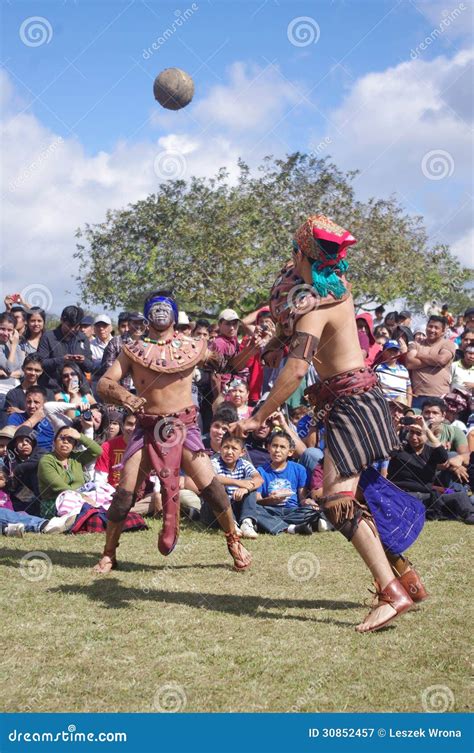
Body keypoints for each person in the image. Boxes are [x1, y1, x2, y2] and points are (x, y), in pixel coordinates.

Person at [232, 214, 416, 633]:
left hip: (352, 403)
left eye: (293, 251)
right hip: (358, 400)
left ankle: (391, 592)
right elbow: (298, 342)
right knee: (358, 497)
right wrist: (272, 342)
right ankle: (408, 579)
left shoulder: (315, 302)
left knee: (336, 501)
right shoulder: (335, 289)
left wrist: (257, 417)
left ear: (301, 252)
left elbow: (297, 370)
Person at [93, 290, 266, 575]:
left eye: (166, 308)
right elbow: (104, 384)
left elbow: (229, 365)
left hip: (184, 428)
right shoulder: (132, 350)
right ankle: (109, 552)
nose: (161, 313)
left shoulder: (192, 346)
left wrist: (252, 347)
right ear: (147, 313)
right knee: (124, 495)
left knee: (213, 489)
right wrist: (126, 397)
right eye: (155, 308)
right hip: (147, 428)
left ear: (174, 313)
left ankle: (234, 541)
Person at [254, 431, 325, 535]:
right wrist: (269, 500)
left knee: (311, 510)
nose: (277, 450)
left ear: (290, 452)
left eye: (282, 447)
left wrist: (307, 501)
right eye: (274, 446)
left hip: (293, 510)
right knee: (254, 510)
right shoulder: (260, 471)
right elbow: (257, 501)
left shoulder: (299, 469)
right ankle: (290, 528)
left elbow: (302, 498)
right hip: (271, 510)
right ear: (268, 448)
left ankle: (270, 524)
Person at [201, 433, 262, 539]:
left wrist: (246, 488)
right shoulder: (214, 462)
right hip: (215, 511)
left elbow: (259, 479)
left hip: (234, 506)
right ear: (220, 449)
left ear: (242, 452)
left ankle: (247, 522)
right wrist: (238, 483)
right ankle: (231, 524)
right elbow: (211, 478)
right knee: (217, 486)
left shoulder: (244, 464)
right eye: (226, 447)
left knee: (250, 483)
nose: (229, 452)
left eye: (234, 448)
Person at [38, 426, 102, 518]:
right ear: (54, 441)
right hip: (56, 502)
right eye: (62, 438)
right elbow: (60, 487)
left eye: (70, 440)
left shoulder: (76, 458)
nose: (65, 442)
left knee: (102, 491)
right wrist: (82, 497)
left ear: (74, 445)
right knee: (70, 498)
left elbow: (97, 451)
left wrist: (80, 436)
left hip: (81, 498)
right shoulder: (46, 461)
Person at [405, 315, 456, 409]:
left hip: (440, 395)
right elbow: (409, 363)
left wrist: (419, 355)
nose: (432, 330)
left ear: (443, 331)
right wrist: (434, 360)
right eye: (430, 326)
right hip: (418, 396)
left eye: (436, 328)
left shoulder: (448, 344)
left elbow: (441, 360)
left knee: (436, 423)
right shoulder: (417, 344)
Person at [38, 305, 93, 387]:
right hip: (54, 386)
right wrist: (61, 360)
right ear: (61, 320)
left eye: (76, 326)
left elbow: (90, 367)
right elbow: (41, 363)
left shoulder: (83, 338)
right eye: (69, 326)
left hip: (79, 387)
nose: (73, 329)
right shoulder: (48, 337)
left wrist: (83, 361)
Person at [6, 386, 55, 452]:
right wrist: (34, 419)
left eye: (36, 402)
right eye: (29, 402)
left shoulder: (51, 419)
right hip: (22, 456)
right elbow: (9, 435)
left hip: (44, 455)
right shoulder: (16, 417)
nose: (32, 406)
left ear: (44, 403)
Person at [375, 340, 411, 404]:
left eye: (395, 351)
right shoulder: (378, 369)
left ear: (399, 353)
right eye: (389, 350)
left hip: (402, 405)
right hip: (387, 405)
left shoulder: (404, 369)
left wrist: (408, 407)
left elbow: (409, 389)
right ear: (383, 352)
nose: (392, 353)